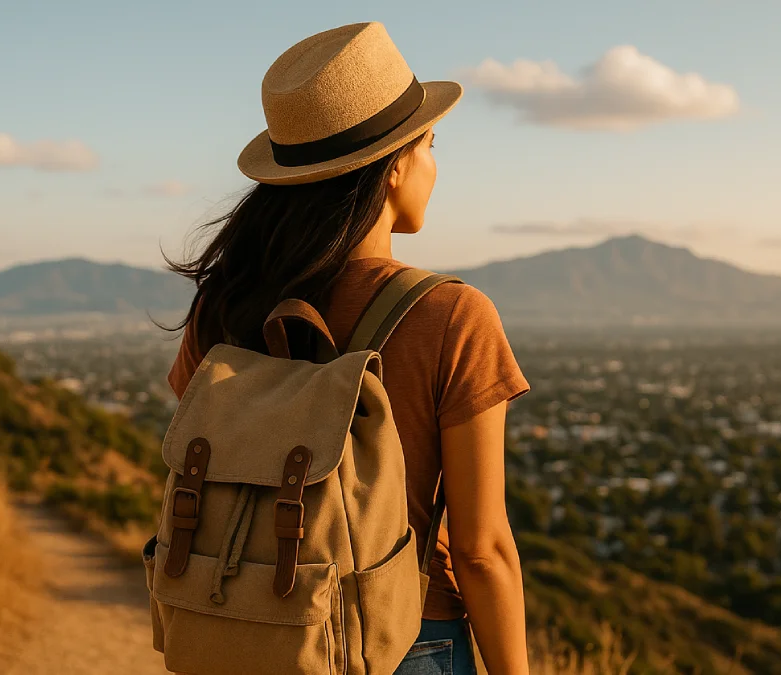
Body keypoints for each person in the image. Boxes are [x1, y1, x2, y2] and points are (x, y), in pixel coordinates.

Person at [163, 21, 531, 675]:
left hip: (244, 631)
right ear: (395, 167)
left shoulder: (225, 303)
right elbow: (481, 549)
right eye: (430, 145)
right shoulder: (451, 316)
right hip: (404, 638)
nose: (434, 166)